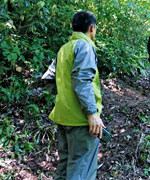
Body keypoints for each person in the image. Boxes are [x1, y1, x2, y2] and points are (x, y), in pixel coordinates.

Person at [48, 11, 105, 179]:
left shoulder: (63, 49)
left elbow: (49, 79)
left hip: (63, 117)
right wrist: (92, 113)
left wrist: (65, 99)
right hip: (81, 121)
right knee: (81, 170)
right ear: (92, 28)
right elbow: (81, 81)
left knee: (65, 166)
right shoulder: (85, 47)